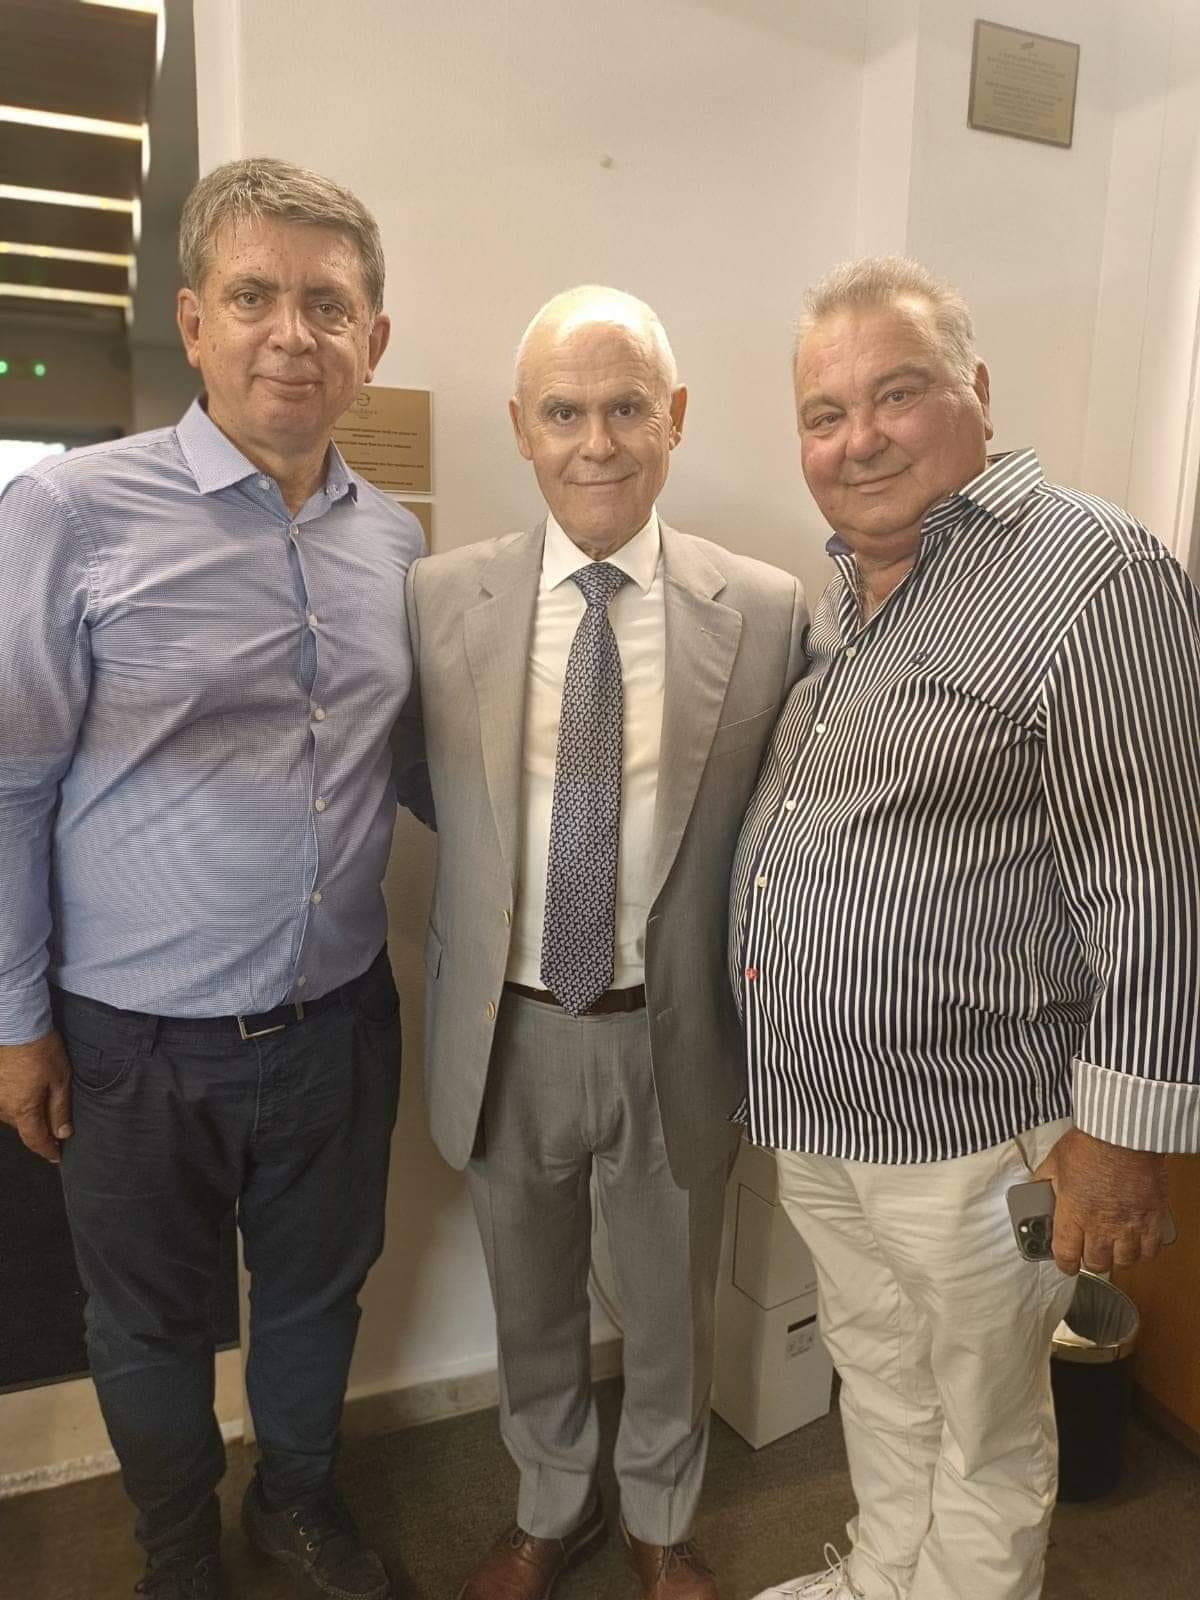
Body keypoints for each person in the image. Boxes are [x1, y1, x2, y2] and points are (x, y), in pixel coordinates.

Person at [732, 254, 1200, 1600]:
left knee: (985, 1423)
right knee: (880, 1373)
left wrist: (1121, 1139)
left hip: (979, 1132)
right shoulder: (859, 595)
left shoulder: (1093, 573)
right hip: (827, 1113)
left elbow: (1156, 877)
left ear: (977, 392)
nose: (859, 438)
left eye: (898, 394)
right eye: (825, 415)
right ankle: (886, 1575)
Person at [0, 157, 426, 1600]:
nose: (290, 334)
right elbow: (11, 787)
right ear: (193, 321)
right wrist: (16, 1023)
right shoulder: (68, 514)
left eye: (328, 304)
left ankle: (295, 1507)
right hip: (134, 1049)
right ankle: (178, 1555)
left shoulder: (395, 543)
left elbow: (406, 762)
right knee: (148, 1328)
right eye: (253, 297)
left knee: (316, 1300)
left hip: (337, 1028)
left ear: (373, 336)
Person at [402, 285, 806, 1600]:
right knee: (528, 1296)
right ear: (522, 427)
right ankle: (549, 1502)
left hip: (672, 1026)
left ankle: (662, 1518)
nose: (596, 442)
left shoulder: (766, 609)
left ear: (674, 417)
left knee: (673, 1301)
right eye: (564, 412)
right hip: (508, 1026)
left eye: (626, 407)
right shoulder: (438, 598)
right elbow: (425, 782)